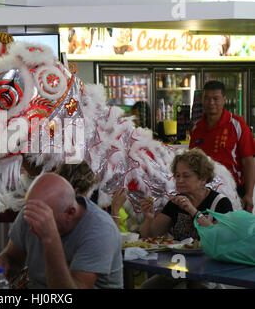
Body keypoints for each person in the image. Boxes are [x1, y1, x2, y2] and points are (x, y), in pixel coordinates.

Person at [0, 173, 123, 289]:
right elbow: (14, 259)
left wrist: (50, 240)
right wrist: (3, 263)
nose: (32, 228)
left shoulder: (100, 231)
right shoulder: (32, 213)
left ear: (70, 212)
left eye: (44, 220)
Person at [139, 148, 233, 289]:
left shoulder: (221, 203)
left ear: (202, 179)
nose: (179, 181)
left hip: (209, 270)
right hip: (179, 266)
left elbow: (219, 239)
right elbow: (150, 236)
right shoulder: (175, 202)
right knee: (147, 287)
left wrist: (193, 211)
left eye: (186, 176)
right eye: (177, 176)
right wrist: (149, 218)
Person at [189, 80, 255, 213]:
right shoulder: (197, 129)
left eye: (216, 98)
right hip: (204, 193)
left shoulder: (237, 125)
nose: (211, 102)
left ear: (224, 100)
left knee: (232, 231)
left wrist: (248, 194)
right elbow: (192, 163)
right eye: (207, 98)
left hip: (234, 192)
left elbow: (249, 161)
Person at [56, 161, 129, 232]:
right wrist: (115, 210)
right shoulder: (80, 217)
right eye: (88, 191)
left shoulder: (52, 208)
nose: (88, 197)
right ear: (76, 192)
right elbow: (110, 240)